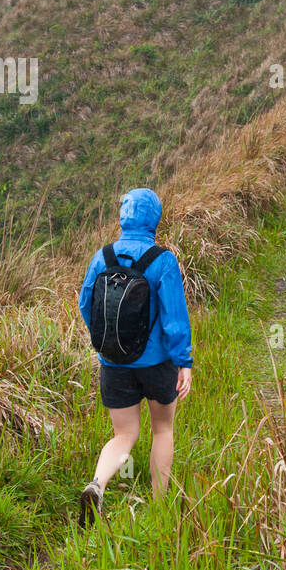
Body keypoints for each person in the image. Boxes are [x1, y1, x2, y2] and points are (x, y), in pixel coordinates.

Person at [76, 188, 192, 527]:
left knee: (123, 435)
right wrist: (183, 361)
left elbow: (87, 306)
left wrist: (108, 343)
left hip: (114, 364)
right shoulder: (163, 260)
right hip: (157, 365)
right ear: (154, 218)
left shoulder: (103, 256)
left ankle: (98, 484)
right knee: (162, 429)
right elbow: (174, 318)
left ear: (124, 216)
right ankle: (157, 507)